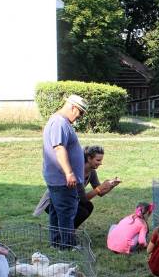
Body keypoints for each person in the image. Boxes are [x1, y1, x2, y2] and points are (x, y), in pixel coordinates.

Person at [34, 145, 120, 228]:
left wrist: (111, 185)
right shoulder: (77, 171)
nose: (101, 163)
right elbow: (83, 198)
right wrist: (100, 188)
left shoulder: (92, 172)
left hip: (68, 201)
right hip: (53, 202)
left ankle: (68, 231)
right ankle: (65, 232)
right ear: (89, 158)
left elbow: (100, 193)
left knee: (88, 206)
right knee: (81, 212)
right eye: (98, 160)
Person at [42, 94, 87, 248]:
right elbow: (59, 148)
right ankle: (67, 246)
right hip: (62, 179)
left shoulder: (60, 122)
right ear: (73, 107)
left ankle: (56, 242)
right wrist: (69, 173)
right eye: (80, 112)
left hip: (58, 178)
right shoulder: (59, 122)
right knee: (67, 212)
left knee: (56, 211)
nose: (80, 116)